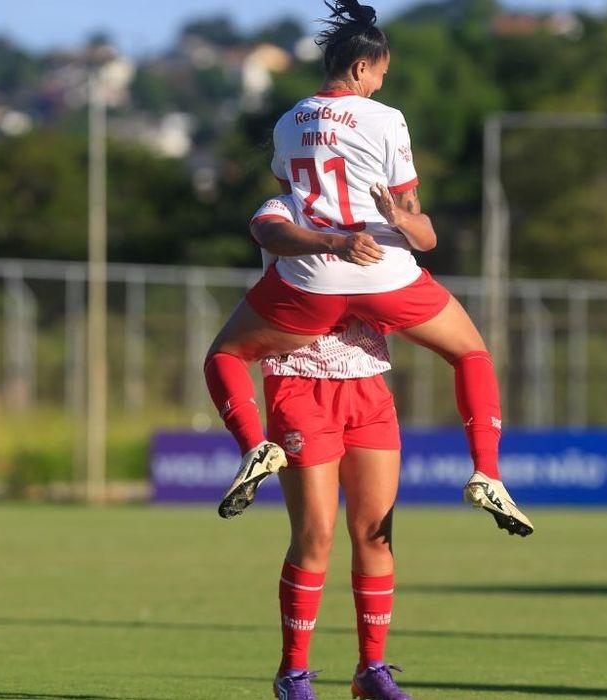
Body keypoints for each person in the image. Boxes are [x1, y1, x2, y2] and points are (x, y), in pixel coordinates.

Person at [206, 0, 532, 537]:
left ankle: (252, 445)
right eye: (381, 72)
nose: (382, 83)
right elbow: (421, 233)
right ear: (361, 67)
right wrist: (395, 216)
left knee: (225, 355)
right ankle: (487, 472)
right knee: (470, 352)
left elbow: (288, 205)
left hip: (311, 282)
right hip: (385, 275)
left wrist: (329, 240)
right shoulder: (386, 120)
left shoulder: (289, 122)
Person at [249, 196, 412, 700]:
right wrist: (338, 243)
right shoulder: (285, 206)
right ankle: (292, 673)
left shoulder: (373, 207)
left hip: (368, 383)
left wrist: (402, 220)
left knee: (376, 534)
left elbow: (416, 252)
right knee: (315, 534)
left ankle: (371, 670)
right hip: (300, 381)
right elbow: (266, 231)